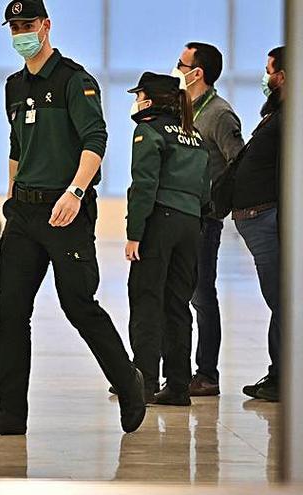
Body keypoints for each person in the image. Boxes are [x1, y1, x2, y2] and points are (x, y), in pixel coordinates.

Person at [0, 0, 146, 436]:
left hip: (66, 211)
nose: (20, 33)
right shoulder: (13, 85)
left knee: (78, 305)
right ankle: (10, 410)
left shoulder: (74, 80)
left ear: (46, 26)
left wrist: (75, 191)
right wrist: (11, 198)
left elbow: (95, 138)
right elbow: (17, 146)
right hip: (25, 213)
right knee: (10, 311)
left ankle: (128, 380)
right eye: (13, 27)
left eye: (27, 24)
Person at [125, 72, 210, 406]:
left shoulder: (149, 131)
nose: (138, 100)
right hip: (190, 224)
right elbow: (206, 189)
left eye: (140, 94)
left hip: (159, 222)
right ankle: (177, 386)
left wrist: (135, 235)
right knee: (177, 306)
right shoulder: (195, 135)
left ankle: (143, 384)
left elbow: (144, 186)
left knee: (146, 301)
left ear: (152, 99)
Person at [172, 42, 244, 398]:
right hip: (180, 215)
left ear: (196, 73)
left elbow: (238, 162)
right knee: (176, 294)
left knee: (201, 295)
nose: (176, 68)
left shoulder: (218, 114)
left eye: (180, 63)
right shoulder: (186, 109)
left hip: (204, 220)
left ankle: (207, 374)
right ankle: (173, 371)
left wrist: (217, 203)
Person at [231, 46, 286, 403]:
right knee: (279, 301)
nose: (265, 77)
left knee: (283, 301)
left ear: (283, 75)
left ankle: (283, 377)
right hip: (257, 217)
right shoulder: (278, 114)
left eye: (269, 70)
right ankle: (278, 374)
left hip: (268, 218)